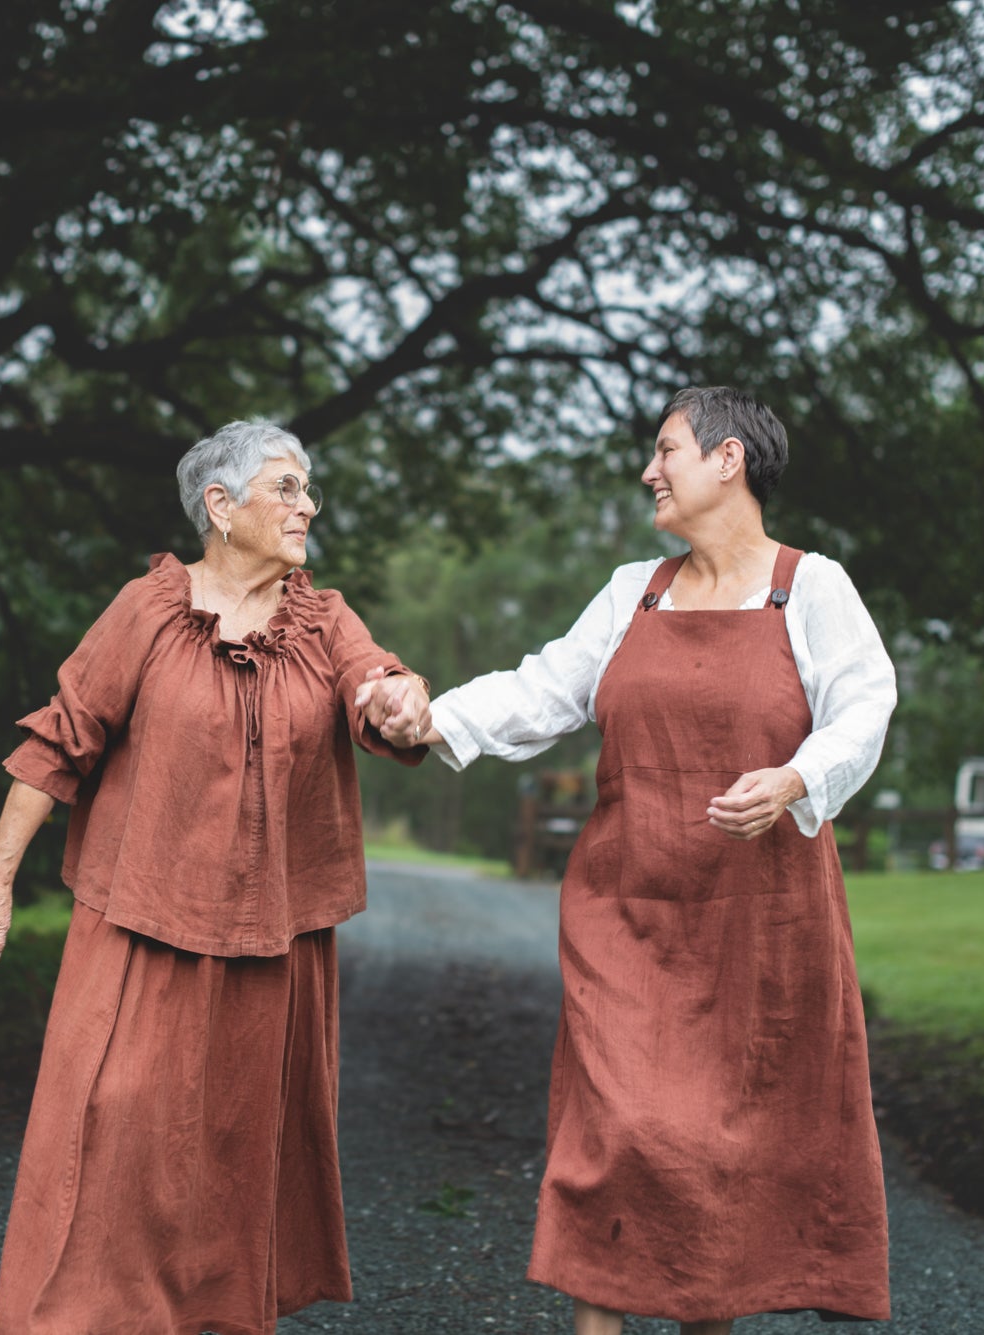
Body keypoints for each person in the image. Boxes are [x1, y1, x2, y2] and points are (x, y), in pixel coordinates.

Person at [382, 387, 896, 1334]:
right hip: (628, 916)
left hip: (759, 930)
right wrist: (434, 715)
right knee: (617, 1133)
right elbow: (543, 690)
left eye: (667, 450)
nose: (650, 471)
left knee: (717, 1156)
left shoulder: (811, 586)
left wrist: (794, 778)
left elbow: (866, 706)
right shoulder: (636, 590)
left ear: (729, 459)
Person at [0, 419, 433, 1335]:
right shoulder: (149, 608)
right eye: (286, 488)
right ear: (221, 505)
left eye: (309, 488)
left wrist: (398, 695)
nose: (307, 506)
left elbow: (374, 684)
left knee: (231, 1156)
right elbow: (60, 738)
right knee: (110, 1135)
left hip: (272, 947)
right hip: (138, 926)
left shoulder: (323, 618)